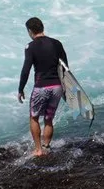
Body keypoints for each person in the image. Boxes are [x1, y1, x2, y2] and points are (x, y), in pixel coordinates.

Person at [15, 16, 70, 159]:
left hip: (41, 87)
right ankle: (46, 147)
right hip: (57, 87)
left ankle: (38, 150)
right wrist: (66, 89)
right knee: (48, 119)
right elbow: (65, 67)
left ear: (30, 31)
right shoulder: (57, 43)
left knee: (34, 117)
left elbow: (26, 69)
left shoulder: (30, 46)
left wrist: (20, 89)